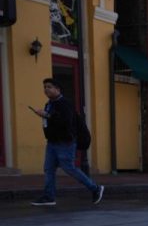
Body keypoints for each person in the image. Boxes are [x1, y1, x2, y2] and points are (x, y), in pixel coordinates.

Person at [29, 78, 104, 206]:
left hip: (65, 142)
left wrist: (46, 115)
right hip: (52, 142)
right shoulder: (49, 104)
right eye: (45, 87)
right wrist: (46, 116)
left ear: (58, 89)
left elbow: (66, 122)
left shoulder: (64, 103)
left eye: (49, 87)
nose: (46, 89)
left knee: (69, 168)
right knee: (49, 169)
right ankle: (49, 197)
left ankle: (95, 188)